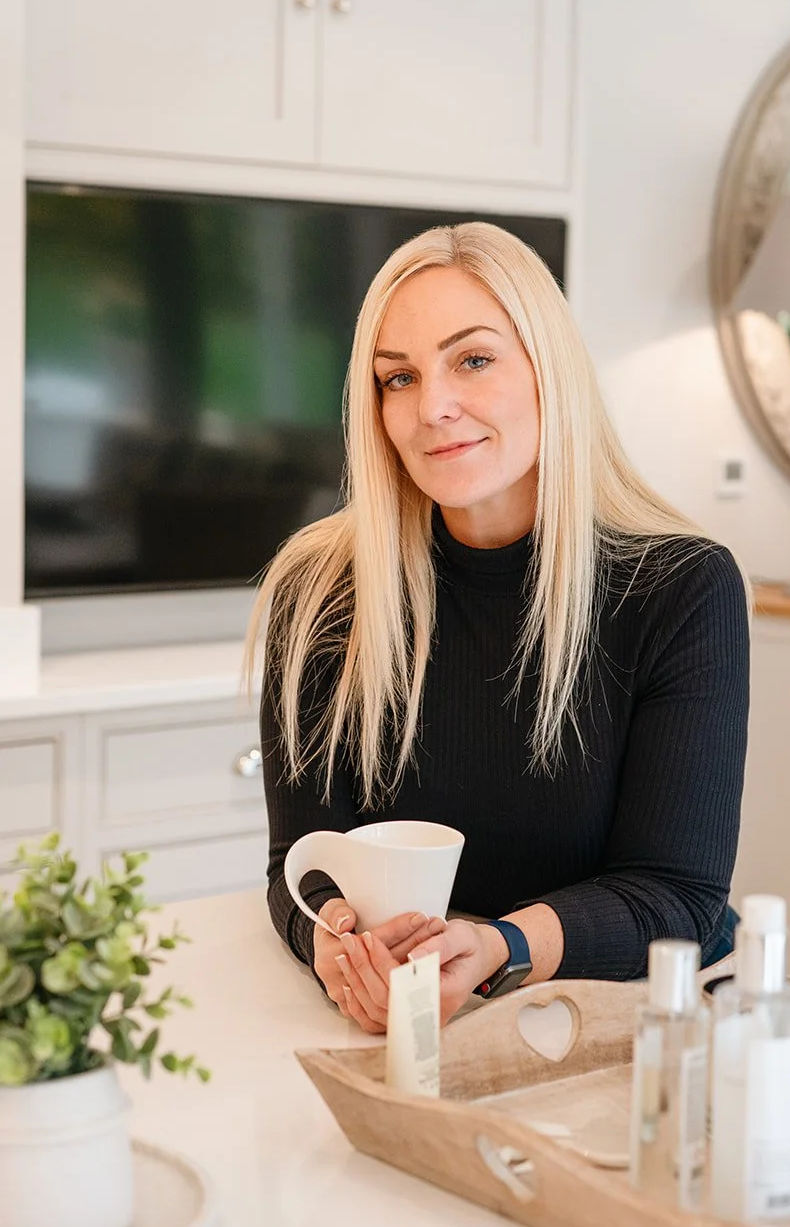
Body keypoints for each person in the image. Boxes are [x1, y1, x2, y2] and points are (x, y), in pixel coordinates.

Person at [251, 222, 749, 1033]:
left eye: (472, 360)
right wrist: (333, 945)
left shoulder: (681, 588)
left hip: (614, 1016)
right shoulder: (318, 591)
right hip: (407, 1020)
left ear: (548, 373)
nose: (433, 407)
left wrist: (496, 948)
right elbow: (301, 863)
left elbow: (676, 895)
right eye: (398, 377)